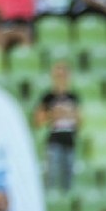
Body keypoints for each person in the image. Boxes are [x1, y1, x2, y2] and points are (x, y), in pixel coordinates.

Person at [34, 61, 81, 192]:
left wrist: (71, 115)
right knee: (51, 177)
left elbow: (79, 120)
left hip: (70, 141)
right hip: (54, 142)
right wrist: (53, 114)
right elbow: (38, 120)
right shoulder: (48, 97)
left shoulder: (73, 97)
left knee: (68, 179)